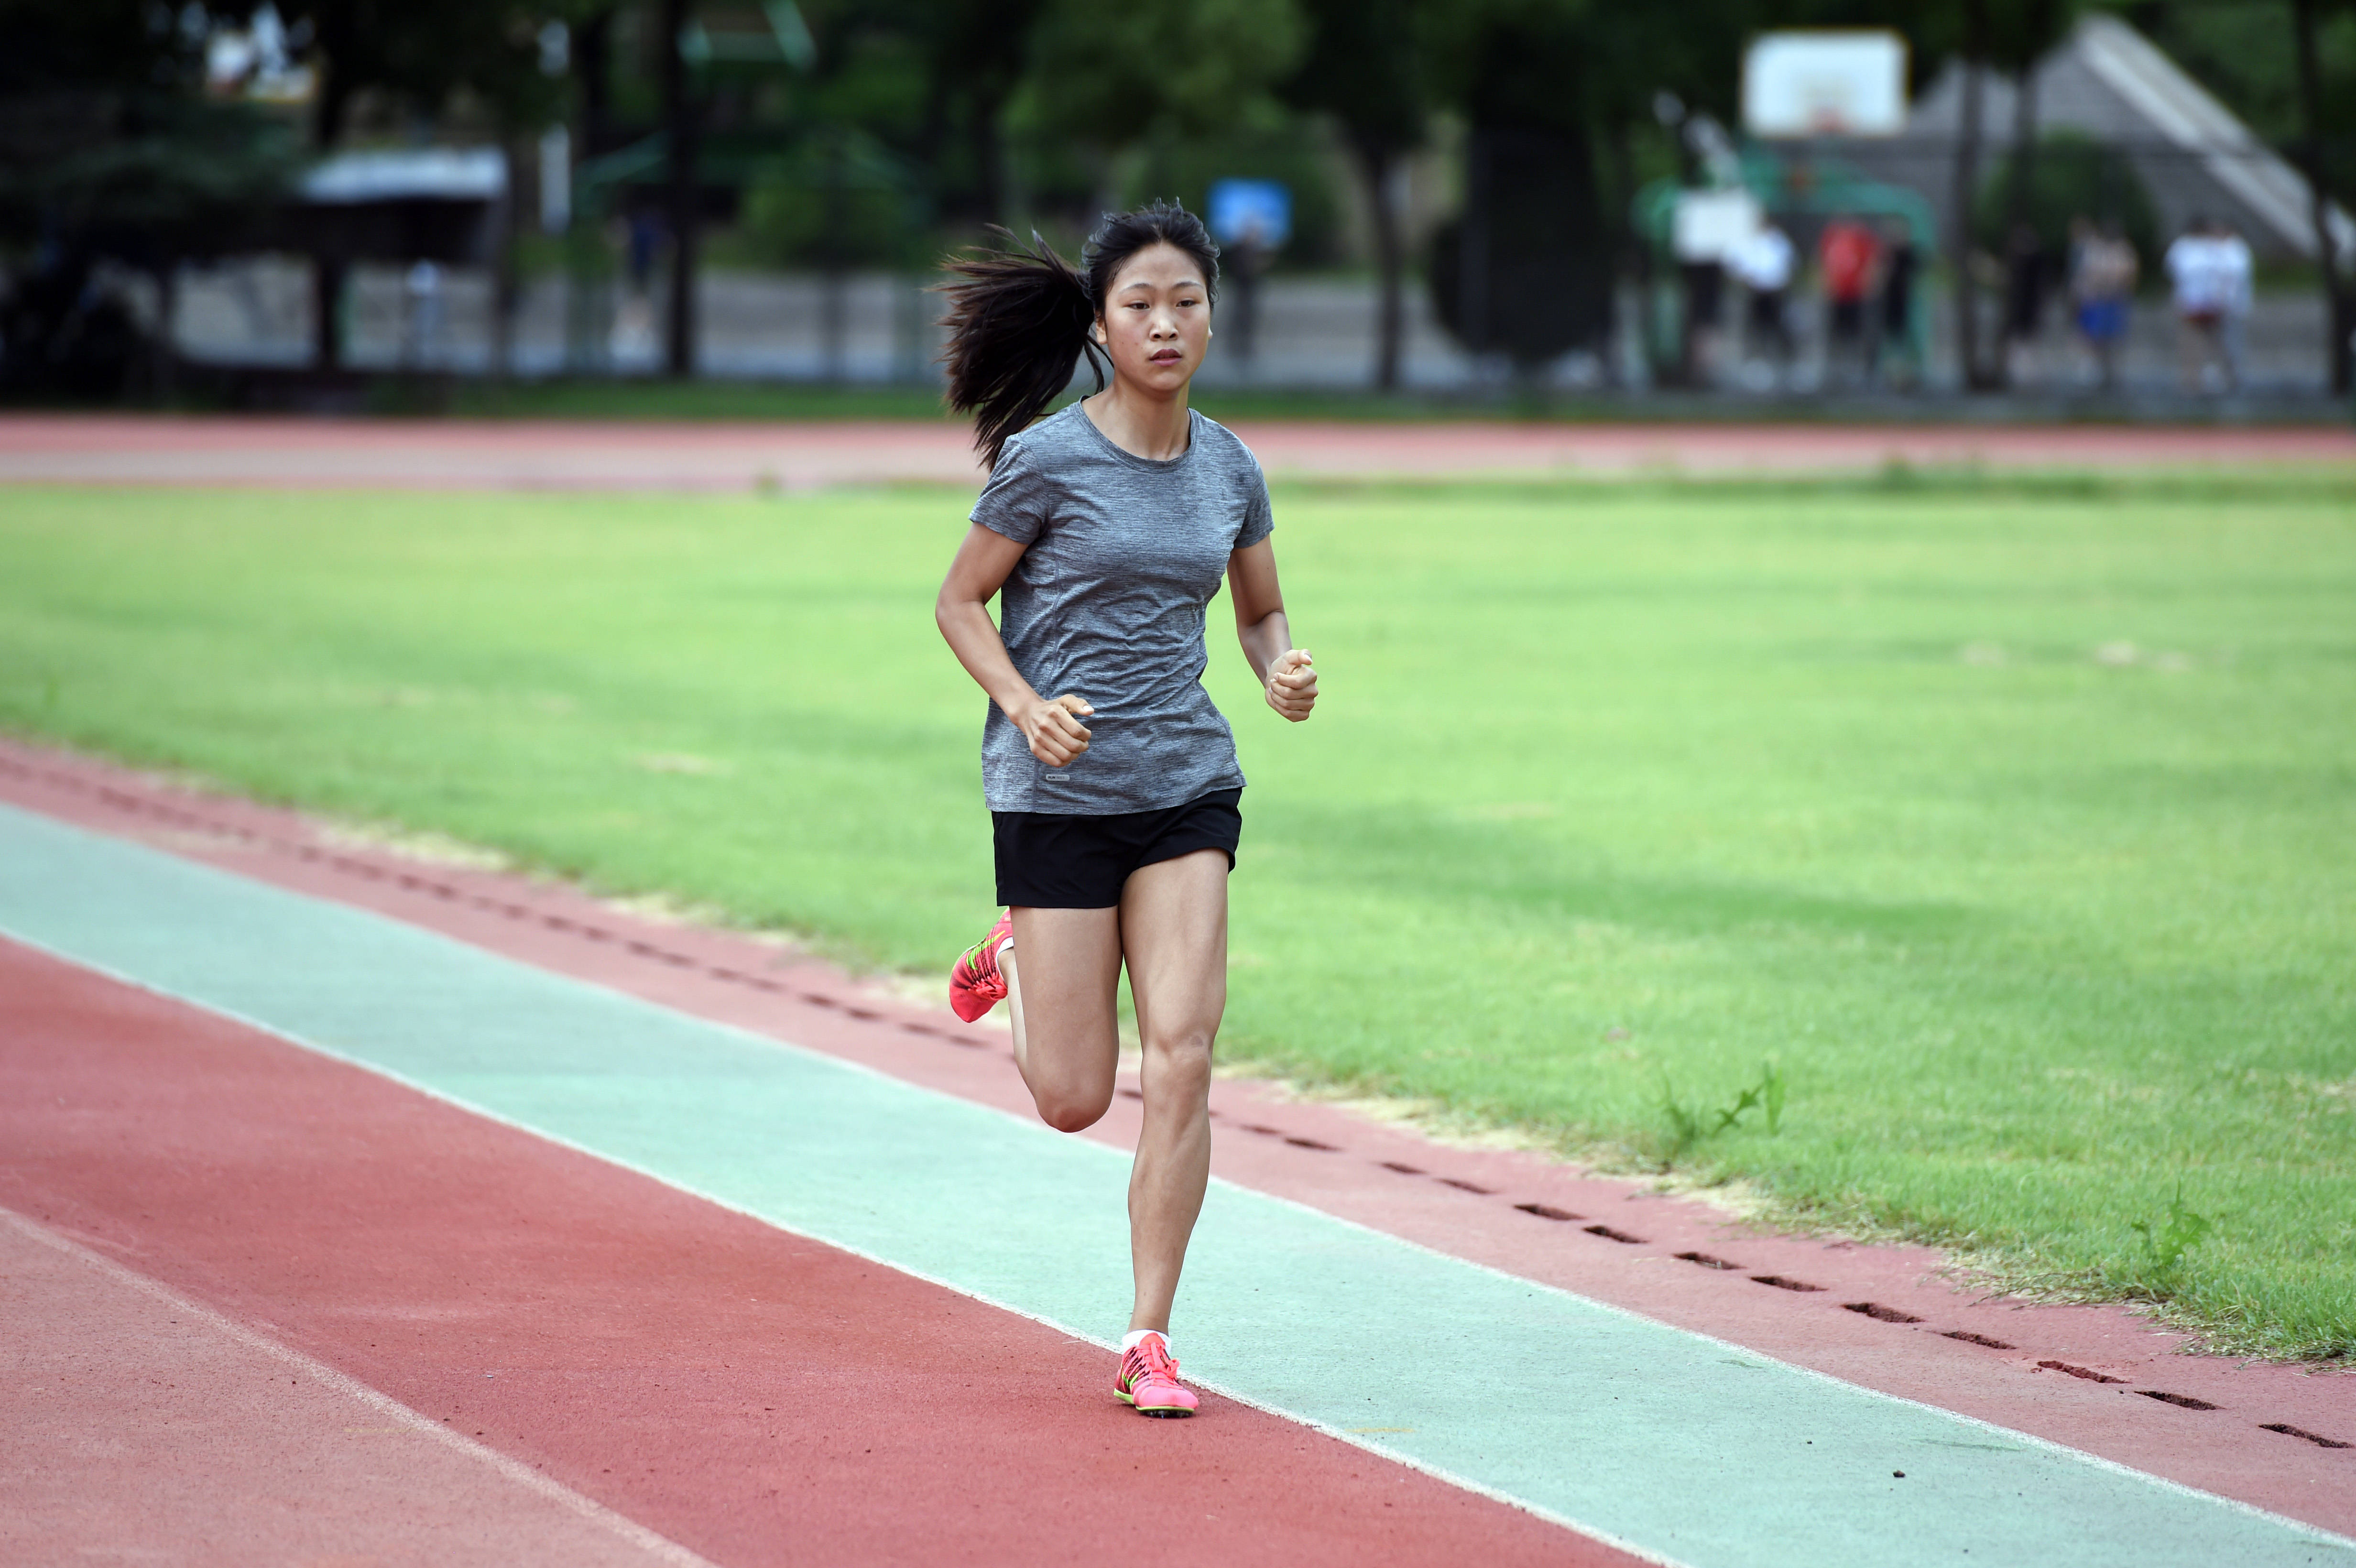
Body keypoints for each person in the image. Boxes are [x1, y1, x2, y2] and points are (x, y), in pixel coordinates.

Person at [930, 202, 1319, 1419]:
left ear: (1214, 314)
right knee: (1072, 1098)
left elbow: (1259, 608)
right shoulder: (1046, 460)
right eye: (1142, 304)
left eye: (1187, 302)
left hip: (1184, 787)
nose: (1167, 323)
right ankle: (1015, 944)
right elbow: (956, 605)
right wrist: (1023, 699)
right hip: (1056, 792)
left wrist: (1279, 666)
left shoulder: (1231, 467)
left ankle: (1148, 1331)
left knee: (1188, 1055)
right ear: (1102, 321)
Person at [2165, 215, 2235, 392]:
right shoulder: (2182, 247)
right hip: (2190, 302)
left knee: (2215, 342)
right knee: (2190, 343)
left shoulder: (2213, 247)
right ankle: (2191, 379)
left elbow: (2223, 274)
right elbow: (2174, 273)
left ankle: (2218, 377)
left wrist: (2222, 297)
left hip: (2212, 303)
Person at [2068, 217, 2138, 390]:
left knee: (2113, 338)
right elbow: (2088, 274)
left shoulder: (2123, 250)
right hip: (2097, 299)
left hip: (2114, 298)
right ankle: (2095, 368)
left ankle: (2111, 371)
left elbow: (2128, 274)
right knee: (2093, 336)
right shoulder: (2095, 250)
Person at [1726, 220, 1795, 385]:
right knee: (1755, 330)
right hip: (1754, 292)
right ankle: (1755, 365)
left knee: (1776, 329)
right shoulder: (1746, 240)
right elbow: (1734, 264)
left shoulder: (1778, 240)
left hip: (1775, 293)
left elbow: (1789, 263)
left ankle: (1780, 365)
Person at [1818, 216, 1880, 386]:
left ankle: (1858, 366)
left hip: (1855, 295)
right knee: (1837, 331)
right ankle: (1837, 367)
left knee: (1856, 331)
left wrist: (1868, 284)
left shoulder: (1861, 241)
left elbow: (1871, 265)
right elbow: (1824, 264)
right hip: (1838, 295)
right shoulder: (1832, 239)